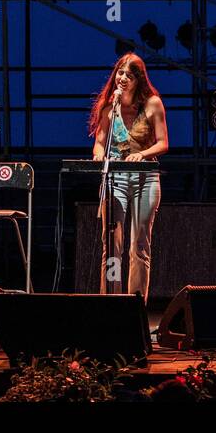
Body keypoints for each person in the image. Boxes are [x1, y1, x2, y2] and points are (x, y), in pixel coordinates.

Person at [89, 53, 168, 302]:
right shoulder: (108, 107)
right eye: (120, 73)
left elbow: (163, 143)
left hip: (145, 180)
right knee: (112, 247)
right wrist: (100, 155)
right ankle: (110, 305)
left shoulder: (152, 104)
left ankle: (136, 307)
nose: (123, 79)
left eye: (129, 75)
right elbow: (99, 143)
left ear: (139, 79)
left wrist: (142, 154)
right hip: (115, 181)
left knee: (139, 247)